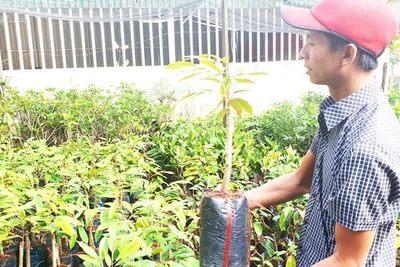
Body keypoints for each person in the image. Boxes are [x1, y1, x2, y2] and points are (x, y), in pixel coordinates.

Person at [245, 0, 400, 266]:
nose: (301, 52)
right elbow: (300, 180)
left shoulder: (365, 147)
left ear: (346, 55)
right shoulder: (342, 113)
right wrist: (234, 204)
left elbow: (346, 262)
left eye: (311, 41)